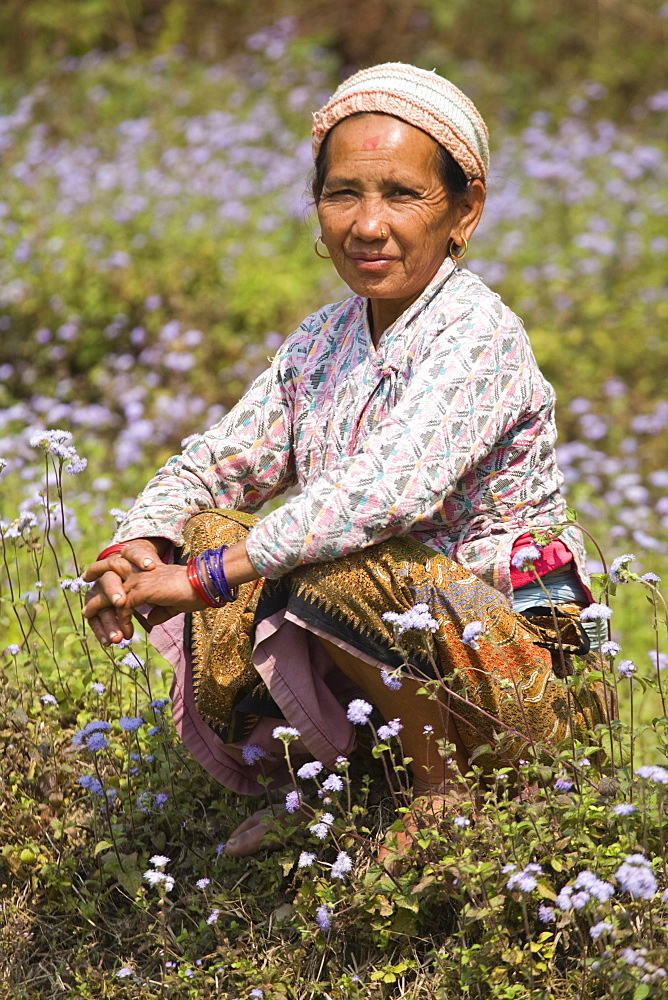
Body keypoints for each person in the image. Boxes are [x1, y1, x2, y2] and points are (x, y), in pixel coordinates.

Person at [83, 62, 606, 857]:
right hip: (400, 651)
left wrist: (201, 581)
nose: (368, 224)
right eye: (343, 194)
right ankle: (332, 785)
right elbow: (214, 464)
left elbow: (378, 499)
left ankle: (447, 801)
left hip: (515, 669)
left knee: (328, 558)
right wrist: (138, 548)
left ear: (465, 212)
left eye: (402, 195)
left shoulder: (479, 334)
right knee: (211, 525)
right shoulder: (321, 341)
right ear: (318, 208)